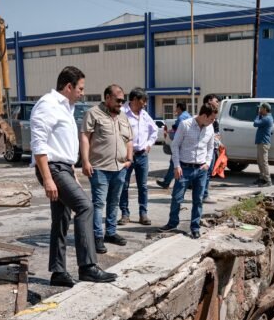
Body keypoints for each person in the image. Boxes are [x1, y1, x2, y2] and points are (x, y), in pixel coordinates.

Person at [31, 66, 117, 286]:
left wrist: (72, 172)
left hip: (63, 168)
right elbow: (39, 144)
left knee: (61, 218)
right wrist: (48, 178)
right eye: (80, 88)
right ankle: (87, 266)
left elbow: (62, 145)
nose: (82, 92)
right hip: (52, 168)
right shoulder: (48, 105)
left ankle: (58, 273)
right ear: (68, 87)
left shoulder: (67, 108)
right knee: (86, 207)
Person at [81, 84, 133, 254]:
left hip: (120, 167)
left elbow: (129, 139)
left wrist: (129, 159)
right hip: (100, 168)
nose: (121, 103)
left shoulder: (123, 117)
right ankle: (97, 237)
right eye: (118, 100)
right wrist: (85, 161)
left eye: (123, 101)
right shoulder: (93, 113)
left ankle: (110, 232)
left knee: (114, 202)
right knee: (98, 204)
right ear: (107, 97)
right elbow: (85, 138)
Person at [159, 103, 217, 239]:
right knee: (177, 198)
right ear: (204, 116)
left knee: (198, 200)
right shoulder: (185, 125)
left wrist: (207, 163)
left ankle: (195, 227)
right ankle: (172, 223)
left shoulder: (210, 128)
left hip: (201, 169)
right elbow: (175, 145)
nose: (213, 122)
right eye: (211, 119)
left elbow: (210, 147)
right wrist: (177, 166)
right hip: (184, 168)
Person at [119, 88, 157, 226]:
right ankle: (125, 214)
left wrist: (148, 144)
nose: (145, 104)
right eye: (143, 101)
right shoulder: (122, 113)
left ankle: (143, 214)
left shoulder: (144, 114)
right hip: (126, 156)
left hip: (142, 156)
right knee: (124, 185)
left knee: (143, 186)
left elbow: (154, 130)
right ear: (134, 100)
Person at [156, 102, 191, 189]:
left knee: (173, 163)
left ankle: (166, 182)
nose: (175, 110)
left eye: (176, 108)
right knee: (186, 164)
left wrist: (170, 132)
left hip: (180, 145)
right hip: (187, 144)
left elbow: (176, 130)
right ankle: (190, 183)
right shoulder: (189, 116)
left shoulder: (181, 118)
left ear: (179, 108)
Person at [200, 93, 221, 203]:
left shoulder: (214, 115)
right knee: (206, 173)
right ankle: (204, 195)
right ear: (209, 101)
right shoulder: (204, 115)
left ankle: (202, 193)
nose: (218, 103)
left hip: (213, 147)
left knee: (207, 173)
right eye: (216, 101)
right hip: (207, 148)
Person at [253, 102, 274, 187]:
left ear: (265, 109)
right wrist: (261, 115)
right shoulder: (266, 117)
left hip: (263, 143)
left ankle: (268, 180)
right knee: (260, 161)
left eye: (261, 108)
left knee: (264, 162)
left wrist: (258, 115)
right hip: (261, 142)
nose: (260, 110)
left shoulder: (267, 118)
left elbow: (255, 123)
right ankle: (262, 178)